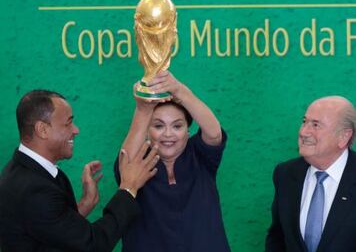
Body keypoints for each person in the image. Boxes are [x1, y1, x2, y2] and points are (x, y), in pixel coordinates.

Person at [0, 90, 159, 252]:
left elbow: (50, 229)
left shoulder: (23, 171)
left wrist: (84, 204)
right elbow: (93, 245)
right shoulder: (34, 190)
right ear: (43, 130)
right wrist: (129, 187)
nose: (76, 130)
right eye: (68, 123)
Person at [265, 95, 356, 252]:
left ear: (344, 136)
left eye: (316, 125)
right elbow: (277, 236)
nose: (303, 132)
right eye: (304, 122)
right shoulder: (285, 174)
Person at [114, 71, 231, 252]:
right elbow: (125, 163)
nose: (168, 134)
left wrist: (178, 89)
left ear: (188, 131)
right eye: (159, 126)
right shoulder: (139, 162)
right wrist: (143, 109)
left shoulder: (200, 156)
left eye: (177, 126)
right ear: (147, 131)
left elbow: (214, 134)